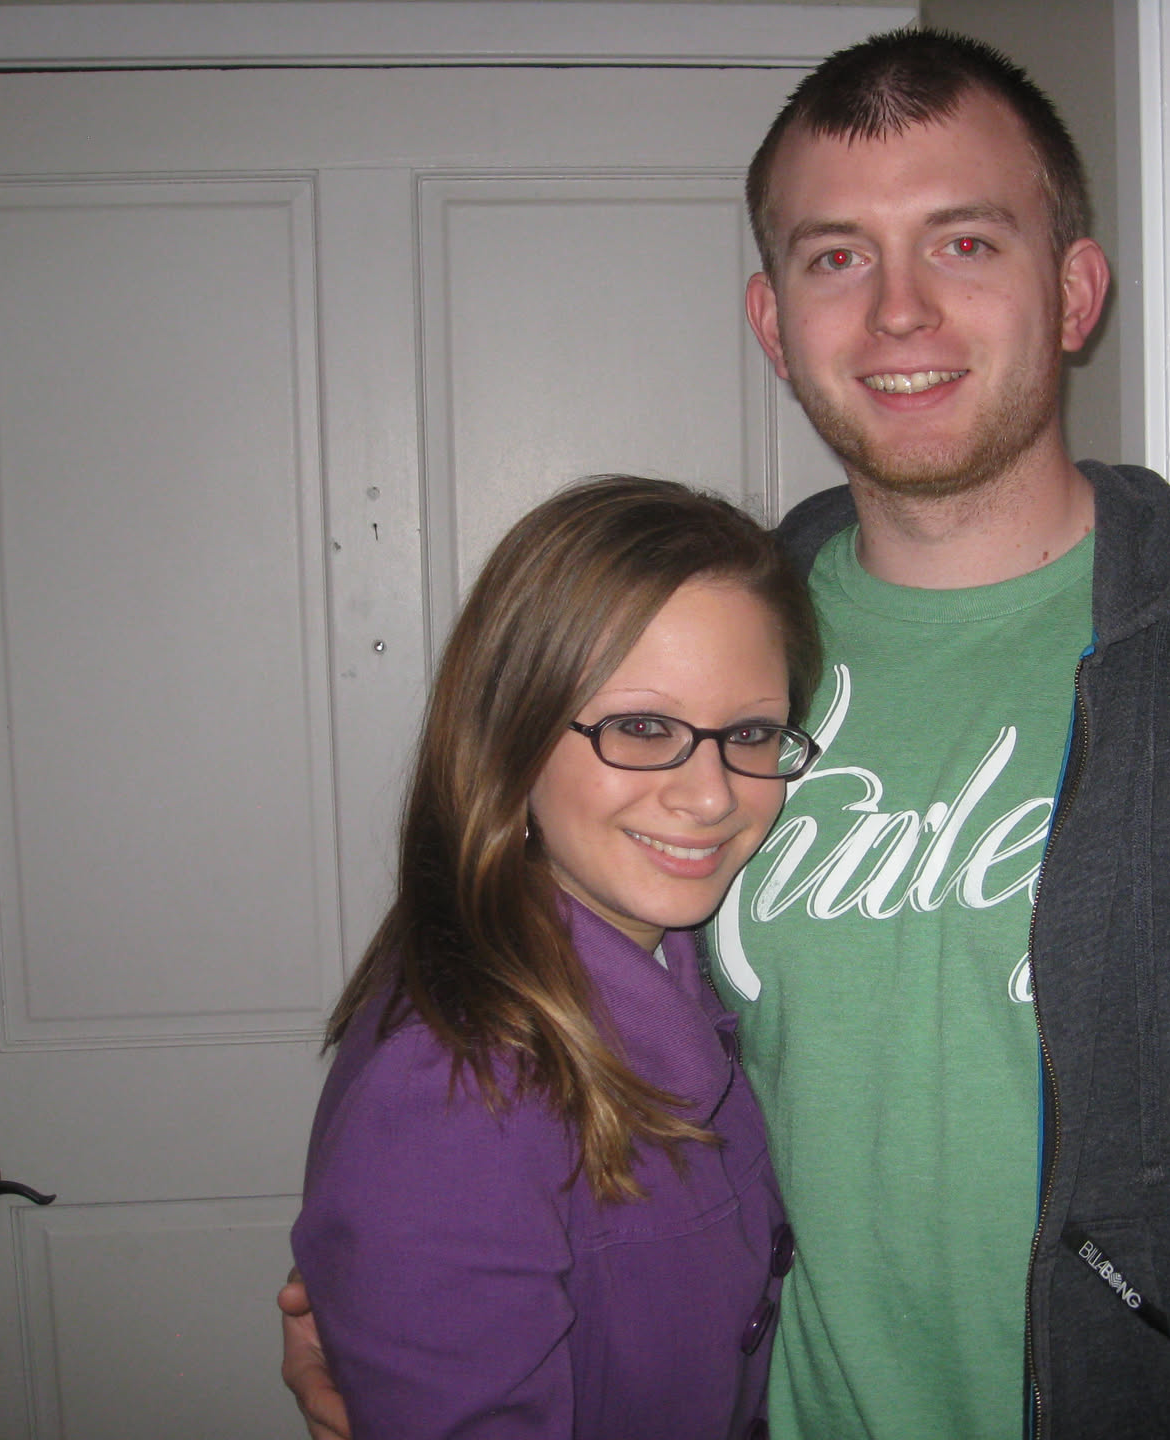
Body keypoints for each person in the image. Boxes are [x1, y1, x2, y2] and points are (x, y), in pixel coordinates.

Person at [284, 29, 1170, 1440]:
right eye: (837, 256)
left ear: (1074, 290)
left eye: (965, 244)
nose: (899, 312)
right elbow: (513, 977)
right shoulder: (718, 649)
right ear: (772, 320)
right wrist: (411, 1333)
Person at [288, 476, 821, 1438]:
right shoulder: (458, 1089)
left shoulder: (681, 967)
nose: (711, 796)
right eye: (643, 728)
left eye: (749, 733)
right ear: (514, 734)